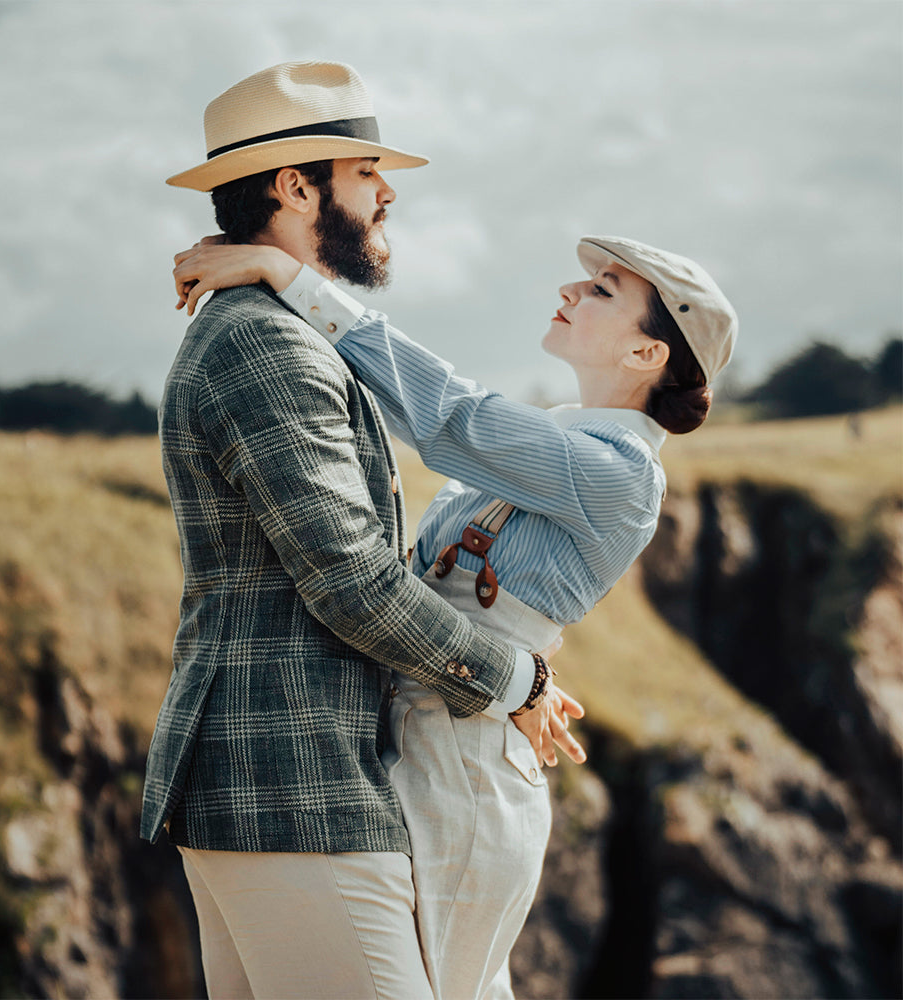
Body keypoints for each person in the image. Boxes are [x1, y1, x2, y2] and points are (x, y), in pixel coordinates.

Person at [169, 233, 738, 1000]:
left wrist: (293, 278)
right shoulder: (564, 436)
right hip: (422, 733)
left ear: (647, 356)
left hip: (467, 772)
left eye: (603, 292)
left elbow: (451, 420)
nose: (571, 291)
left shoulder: (620, 473)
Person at [140, 60, 583, 1000]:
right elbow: (350, 580)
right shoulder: (263, 343)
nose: (387, 193)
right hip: (290, 783)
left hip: (280, 782)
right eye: (366, 170)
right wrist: (516, 680)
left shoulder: (266, 325)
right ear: (296, 186)